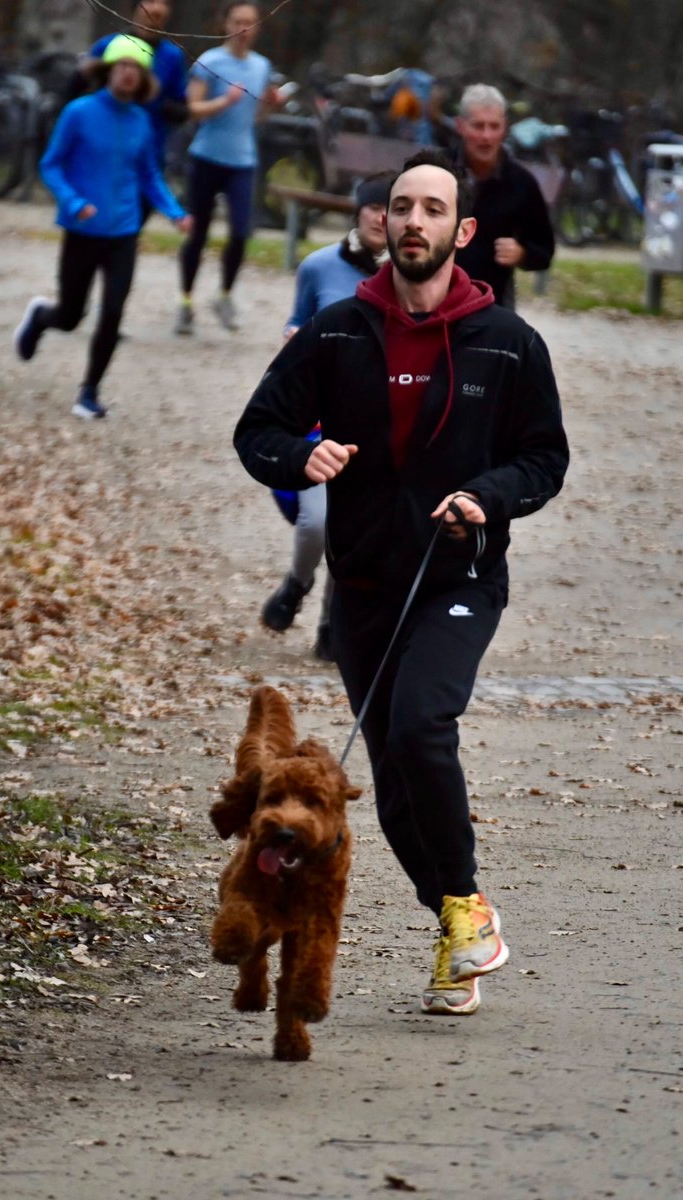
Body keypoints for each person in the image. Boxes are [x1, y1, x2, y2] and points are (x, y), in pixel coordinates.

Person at [234, 148, 569, 1016]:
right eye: (400, 207)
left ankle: (461, 909)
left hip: (459, 575)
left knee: (423, 726)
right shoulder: (339, 330)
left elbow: (544, 458)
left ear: (462, 231)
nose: (412, 221)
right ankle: (459, 924)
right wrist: (299, 456)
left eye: (432, 209)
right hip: (363, 585)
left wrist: (487, 497)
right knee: (388, 784)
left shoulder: (508, 342)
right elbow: (257, 430)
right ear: (381, 223)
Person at [13, 36, 191, 419]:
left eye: (136, 69)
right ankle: (42, 317)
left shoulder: (142, 121)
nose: (128, 74)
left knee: (113, 310)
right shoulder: (79, 112)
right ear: (109, 70)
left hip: (123, 232)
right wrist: (73, 202)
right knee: (71, 316)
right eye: (122, 66)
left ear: (143, 78)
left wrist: (175, 211)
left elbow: (149, 175)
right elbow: (51, 164)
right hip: (82, 229)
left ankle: (89, 392)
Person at [261, 173, 392, 663]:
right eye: (373, 207)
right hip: (322, 419)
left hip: (380, 423)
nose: (382, 217)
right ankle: (296, 585)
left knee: (354, 526)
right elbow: (296, 321)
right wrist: (296, 337)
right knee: (316, 520)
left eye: (391, 208)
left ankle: (333, 623)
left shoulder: (408, 275)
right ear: (357, 212)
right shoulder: (319, 267)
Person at [175, 1, 280, 335]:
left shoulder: (262, 66)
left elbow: (257, 117)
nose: (244, 28)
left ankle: (224, 295)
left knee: (239, 232)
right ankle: (186, 301)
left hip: (242, 161)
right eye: (238, 21)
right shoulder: (210, 62)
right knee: (199, 232)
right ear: (226, 24)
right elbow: (192, 109)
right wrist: (224, 101)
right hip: (206, 157)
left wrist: (269, 105)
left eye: (250, 23)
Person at [84, 0, 241, 225]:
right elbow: (81, 90)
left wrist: (166, 108)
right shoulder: (109, 45)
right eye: (150, 1)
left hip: (149, 153)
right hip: (102, 153)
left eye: (163, 2)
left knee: (130, 225)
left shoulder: (171, 56)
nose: (156, 8)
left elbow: (180, 107)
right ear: (136, 6)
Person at [453, 83, 555, 309]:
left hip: (494, 301)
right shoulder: (437, 171)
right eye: (478, 126)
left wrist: (521, 254)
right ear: (459, 126)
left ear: (505, 128)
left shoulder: (521, 182)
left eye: (494, 126)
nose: (486, 136)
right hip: (436, 295)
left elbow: (544, 250)